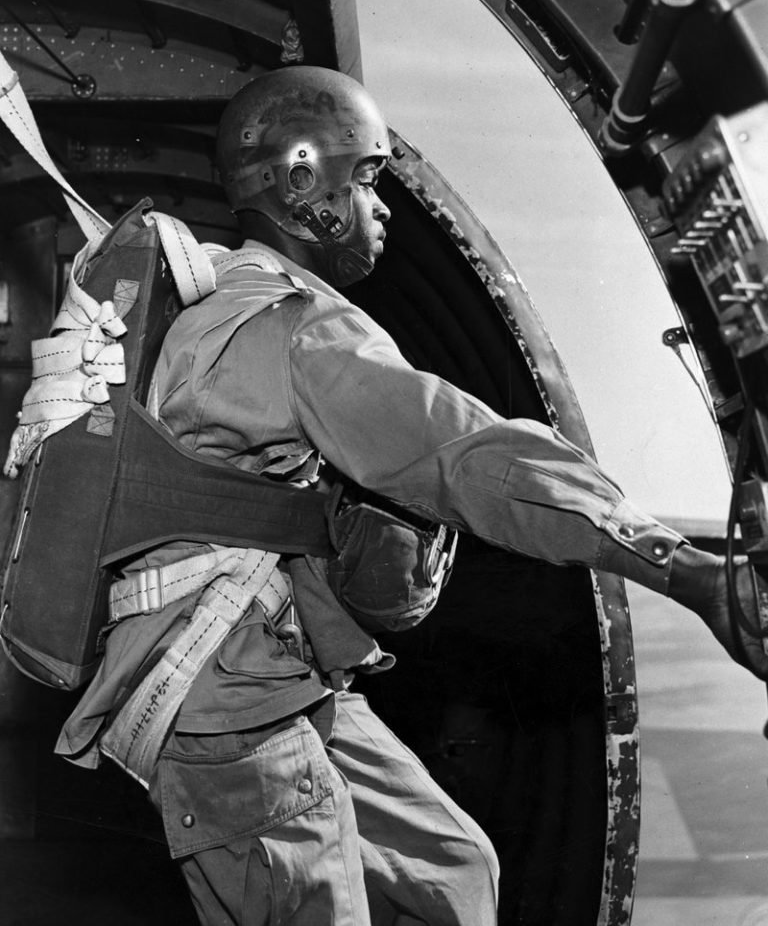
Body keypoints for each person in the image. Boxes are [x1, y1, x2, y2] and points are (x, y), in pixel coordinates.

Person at [56, 65, 768, 926]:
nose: (382, 206)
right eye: (366, 180)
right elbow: (466, 454)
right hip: (223, 711)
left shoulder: (221, 298)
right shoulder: (298, 328)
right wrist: (683, 569)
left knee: (453, 875)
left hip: (270, 678)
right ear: (302, 186)